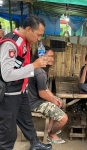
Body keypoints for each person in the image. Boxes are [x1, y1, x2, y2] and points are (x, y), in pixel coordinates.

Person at [0, 16, 52, 150]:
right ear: (28, 29)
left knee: (27, 120)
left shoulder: (25, 40)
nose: (39, 39)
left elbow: (22, 66)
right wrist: (33, 66)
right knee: (8, 132)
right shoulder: (10, 43)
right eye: (38, 35)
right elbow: (7, 75)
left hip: (20, 91)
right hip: (9, 94)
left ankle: (35, 144)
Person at [28, 46, 68, 144]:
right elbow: (42, 94)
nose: (52, 59)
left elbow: (45, 88)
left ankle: (50, 128)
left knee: (59, 101)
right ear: (41, 56)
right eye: (49, 56)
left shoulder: (36, 68)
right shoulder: (40, 72)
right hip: (34, 103)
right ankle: (51, 135)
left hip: (32, 100)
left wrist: (54, 98)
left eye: (53, 56)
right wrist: (53, 100)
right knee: (64, 118)